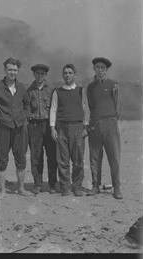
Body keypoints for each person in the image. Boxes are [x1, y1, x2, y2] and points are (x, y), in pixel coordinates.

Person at [0, 57, 31, 199]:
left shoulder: (22, 87)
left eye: (15, 70)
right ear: (5, 70)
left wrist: (23, 117)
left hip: (20, 128)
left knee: (21, 158)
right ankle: (3, 191)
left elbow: (27, 105)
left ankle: (21, 188)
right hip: (3, 129)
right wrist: (1, 117)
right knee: (2, 159)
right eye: (10, 69)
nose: (12, 72)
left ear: (18, 71)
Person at [50, 64, 89, 196]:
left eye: (70, 73)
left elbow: (85, 109)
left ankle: (77, 186)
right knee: (62, 159)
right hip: (61, 128)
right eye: (65, 73)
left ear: (75, 75)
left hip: (77, 127)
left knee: (78, 159)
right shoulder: (57, 92)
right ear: (63, 75)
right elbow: (53, 109)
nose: (67, 75)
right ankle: (65, 187)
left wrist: (85, 127)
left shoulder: (80, 91)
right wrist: (52, 128)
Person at [86, 57, 123, 199]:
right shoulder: (90, 87)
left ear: (106, 70)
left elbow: (117, 107)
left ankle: (117, 187)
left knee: (114, 157)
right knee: (94, 157)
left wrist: (111, 121)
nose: (100, 70)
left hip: (110, 124)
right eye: (97, 67)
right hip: (95, 124)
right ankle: (95, 185)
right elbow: (90, 106)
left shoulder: (113, 85)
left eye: (103, 67)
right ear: (94, 69)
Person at [27, 64, 57, 195]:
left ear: (45, 75)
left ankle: (52, 184)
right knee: (36, 156)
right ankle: (38, 184)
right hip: (34, 127)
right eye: (37, 73)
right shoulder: (28, 91)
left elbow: (56, 109)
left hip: (49, 125)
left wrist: (54, 127)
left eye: (42, 74)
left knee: (52, 156)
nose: (40, 76)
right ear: (34, 74)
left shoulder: (52, 89)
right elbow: (26, 109)